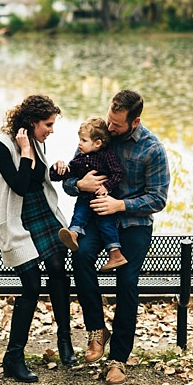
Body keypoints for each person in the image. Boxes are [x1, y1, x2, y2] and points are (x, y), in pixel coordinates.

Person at [62, 90, 169, 385]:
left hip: (133, 223)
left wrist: (120, 204)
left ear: (135, 122)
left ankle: (118, 359)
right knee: (81, 255)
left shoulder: (153, 149)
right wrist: (77, 184)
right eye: (109, 119)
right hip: (98, 217)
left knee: (127, 282)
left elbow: (158, 199)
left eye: (117, 124)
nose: (110, 128)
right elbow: (71, 178)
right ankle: (97, 330)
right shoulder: (99, 133)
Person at [0, 94, 76, 382]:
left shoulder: (37, 142)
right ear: (31, 123)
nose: (51, 130)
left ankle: (65, 340)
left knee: (57, 270)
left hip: (43, 215)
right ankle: (14, 357)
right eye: (48, 124)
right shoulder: (1, 148)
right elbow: (20, 186)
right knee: (32, 286)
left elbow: (38, 178)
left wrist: (56, 169)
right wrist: (26, 151)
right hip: (17, 223)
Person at [52, 116, 128, 271]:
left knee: (106, 225)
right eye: (79, 139)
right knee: (79, 214)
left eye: (83, 140)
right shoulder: (80, 158)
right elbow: (66, 175)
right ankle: (73, 234)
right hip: (85, 198)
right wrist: (57, 168)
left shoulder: (107, 156)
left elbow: (118, 174)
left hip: (103, 200)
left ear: (97, 143)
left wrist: (106, 186)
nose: (79, 143)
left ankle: (115, 255)